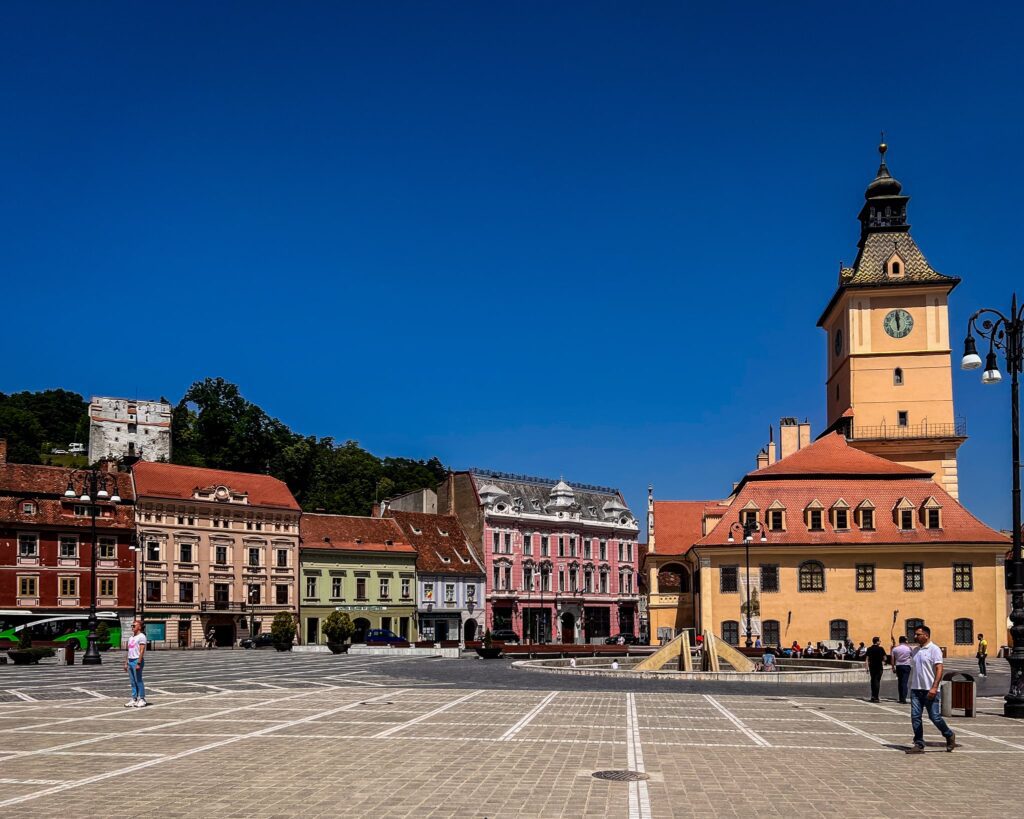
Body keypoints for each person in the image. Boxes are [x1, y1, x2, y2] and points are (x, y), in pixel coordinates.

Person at [906, 625, 955, 754]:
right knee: (915, 717)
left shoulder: (934, 649)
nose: (915, 636)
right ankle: (919, 744)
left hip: (930, 689)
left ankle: (949, 734)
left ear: (926, 635)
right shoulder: (915, 650)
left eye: (918, 634)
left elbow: (939, 668)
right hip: (916, 689)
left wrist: (934, 687)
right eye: (915, 634)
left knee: (935, 717)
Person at [124, 619, 148, 708]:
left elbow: (142, 651)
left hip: (136, 660)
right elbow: (129, 651)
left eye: (134, 626)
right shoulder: (131, 637)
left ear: (139, 627)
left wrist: (138, 662)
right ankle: (134, 698)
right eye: (132, 626)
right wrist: (126, 662)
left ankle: (142, 699)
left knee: (138, 680)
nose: (132, 627)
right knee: (132, 681)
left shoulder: (142, 637)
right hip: (130, 660)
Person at [891, 635, 913, 704]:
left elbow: (892, 659)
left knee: (900, 682)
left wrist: (892, 667)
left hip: (898, 666)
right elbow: (912, 656)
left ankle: (901, 697)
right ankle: (903, 698)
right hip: (906, 665)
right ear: (905, 641)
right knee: (905, 682)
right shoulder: (908, 648)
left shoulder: (895, 649)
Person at [865, 636, 887, 702]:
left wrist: (867, 667)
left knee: (872, 681)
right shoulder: (881, 649)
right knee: (877, 681)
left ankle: (872, 696)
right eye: (879, 641)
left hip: (872, 666)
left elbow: (867, 659)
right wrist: (883, 662)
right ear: (877, 641)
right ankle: (876, 697)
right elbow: (885, 658)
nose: (880, 642)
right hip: (879, 667)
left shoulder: (869, 649)